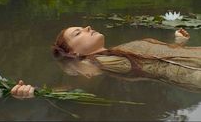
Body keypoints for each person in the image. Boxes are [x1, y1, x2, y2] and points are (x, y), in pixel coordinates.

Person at [11, 26, 201, 98]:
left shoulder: (116, 52)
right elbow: (74, 86)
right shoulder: (93, 64)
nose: (87, 27)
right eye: (78, 33)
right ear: (74, 52)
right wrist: (34, 92)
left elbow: (157, 59)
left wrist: (178, 43)